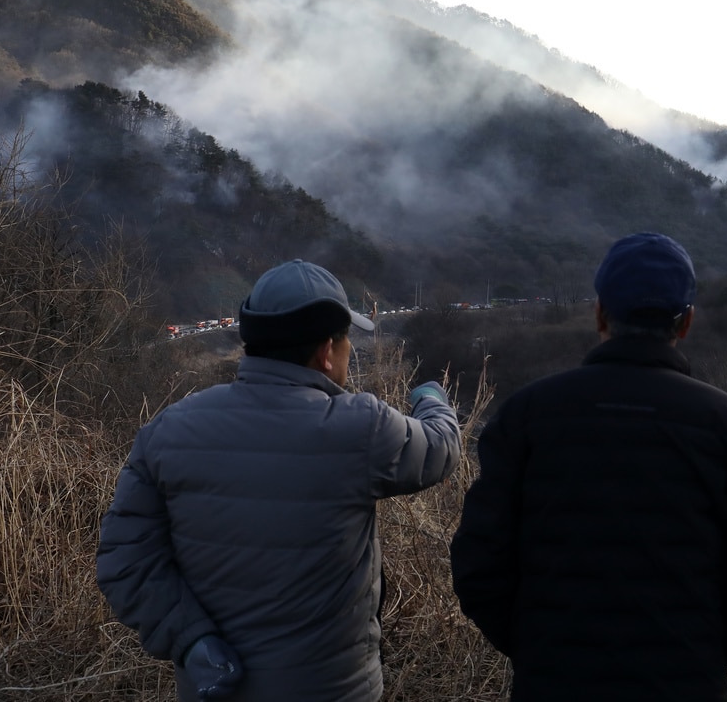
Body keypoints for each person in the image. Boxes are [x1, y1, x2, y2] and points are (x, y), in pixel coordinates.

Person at [450, 232, 727, 702]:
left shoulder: (526, 415)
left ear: (600, 313)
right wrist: (707, 652)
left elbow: (478, 561)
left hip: (553, 681)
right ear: (686, 322)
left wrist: (533, 646)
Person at [97, 259, 461, 701]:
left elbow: (124, 558)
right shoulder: (361, 427)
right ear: (327, 352)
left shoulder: (169, 430)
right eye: (347, 341)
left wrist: (190, 639)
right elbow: (441, 448)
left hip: (214, 690)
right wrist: (430, 398)